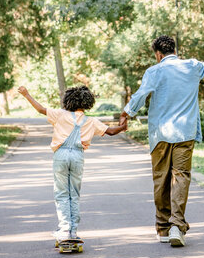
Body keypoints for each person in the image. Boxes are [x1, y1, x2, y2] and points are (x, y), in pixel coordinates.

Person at [118, 35, 204, 247]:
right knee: (181, 177)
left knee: (161, 179)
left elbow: (140, 96)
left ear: (158, 54)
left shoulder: (154, 71)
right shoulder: (192, 66)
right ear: (174, 50)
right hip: (184, 134)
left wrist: (126, 114)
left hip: (160, 135)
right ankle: (177, 224)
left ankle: (163, 229)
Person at [18, 85, 127, 242]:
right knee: (74, 194)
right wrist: (123, 126)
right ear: (88, 102)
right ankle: (73, 231)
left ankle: (64, 229)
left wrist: (26, 94)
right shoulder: (91, 121)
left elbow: (41, 109)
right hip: (77, 156)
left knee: (62, 193)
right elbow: (110, 131)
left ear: (68, 100)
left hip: (61, 155)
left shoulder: (60, 115)